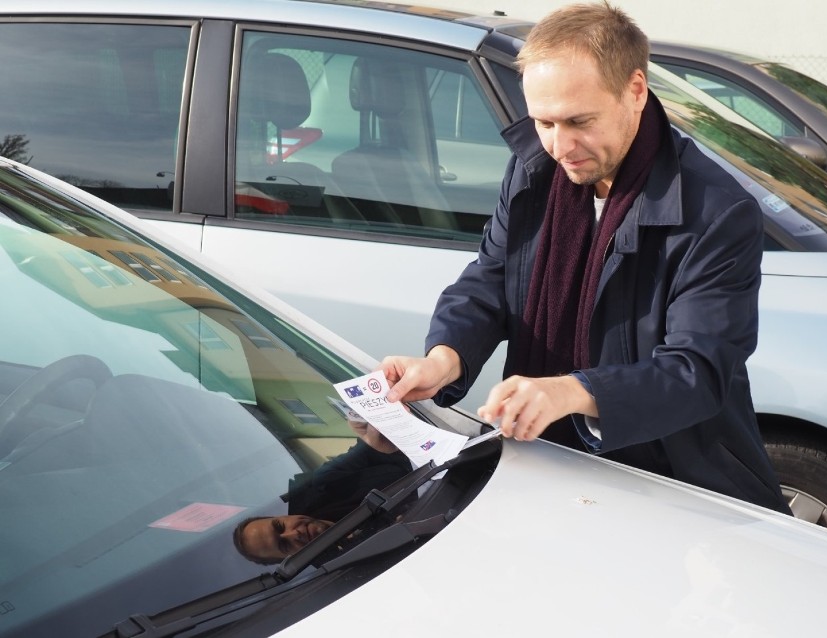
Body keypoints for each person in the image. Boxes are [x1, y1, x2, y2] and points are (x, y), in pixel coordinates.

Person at [380, 1, 790, 514]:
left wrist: (573, 391)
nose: (560, 145)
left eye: (579, 121)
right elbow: (492, 277)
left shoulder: (716, 212)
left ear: (635, 91)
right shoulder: (533, 168)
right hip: (545, 468)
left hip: (673, 487)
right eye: (544, 122)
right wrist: (445, 357)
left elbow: (697, 372)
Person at [233, 514, 334, 564]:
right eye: (284, 545)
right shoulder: (338, 577)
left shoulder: (332, 483)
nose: (294, 534)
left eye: (280, 526)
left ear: (284, 516)